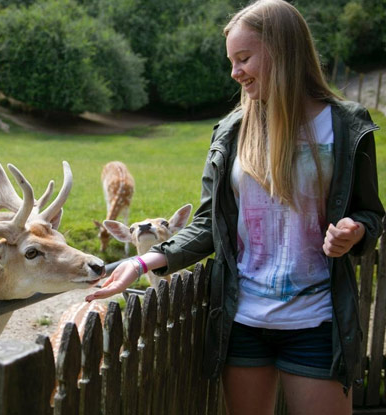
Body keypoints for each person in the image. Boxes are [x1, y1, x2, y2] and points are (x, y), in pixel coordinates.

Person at [85, 0, 385, 414]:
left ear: (283, 51)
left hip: (318, 323)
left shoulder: (346, 126)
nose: (235, 72)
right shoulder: (231, 132)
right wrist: (139, 265)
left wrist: (356, 231)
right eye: (232, 61)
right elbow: (211, 222)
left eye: (244, 58)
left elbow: (371, 213)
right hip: (242, 324)